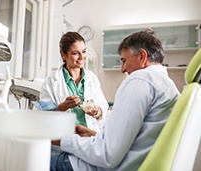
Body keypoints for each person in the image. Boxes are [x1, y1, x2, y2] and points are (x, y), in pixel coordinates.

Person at [50, 29, 180, 171]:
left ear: (142, 56)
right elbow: (136, 140)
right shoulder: (167, 85)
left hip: (95, 163)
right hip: (100, 148)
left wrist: (64, 140)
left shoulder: (140, 80)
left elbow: (107, 155)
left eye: (124, 60)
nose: (122, 69)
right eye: (75, 53)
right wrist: (95, 135)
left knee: (35, 154)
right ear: (64, 55)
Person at [39, 31, 109, 132]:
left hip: (88, 138)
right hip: (63, 139)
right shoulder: (51, 81)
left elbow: (103, 107)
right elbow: (43, 117)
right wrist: (63, 106)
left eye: (84, 51)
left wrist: (96, 111)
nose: (81, 57)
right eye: (75, 53)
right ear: (64, 55)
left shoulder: (91, 78)